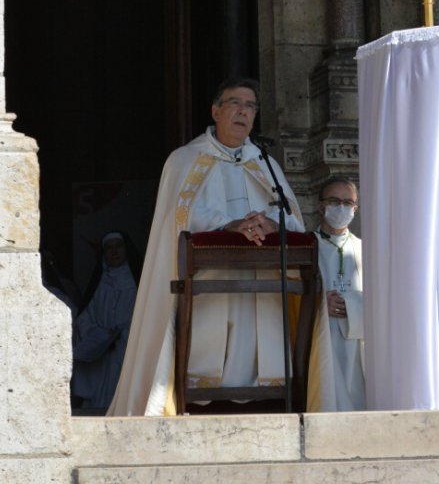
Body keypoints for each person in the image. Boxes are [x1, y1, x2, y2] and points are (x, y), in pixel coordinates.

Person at [108, 77, 303, 416]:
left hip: (260, 279)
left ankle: (263, 400)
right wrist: (228, 225)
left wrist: (271, 222)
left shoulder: (265, 163)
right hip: (206, 277)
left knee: (254, 345)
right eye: (235, 103)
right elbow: (178, 216)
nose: (243, 111)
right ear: (215, 110)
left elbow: (290, 214)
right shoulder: (185, 160)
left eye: (251, 106)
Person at [308, 176, 365, 411]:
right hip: (319, 334)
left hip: (358, 339)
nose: (341, 207)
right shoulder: (306, 246)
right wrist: (319, 302)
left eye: (348, 203)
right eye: (334, 201)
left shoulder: (365, 249)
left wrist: (353, 304)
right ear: (321, 205)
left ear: (356, 208)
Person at [72, 231, 139, 413]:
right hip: (102, 355)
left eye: (118, 246)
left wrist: (124, 333)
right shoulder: (99, 284)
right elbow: (84, 318)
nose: (114, 251)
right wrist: (100, 335)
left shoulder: (137, 283)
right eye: (109, 248)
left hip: (129, 348)